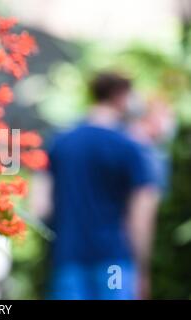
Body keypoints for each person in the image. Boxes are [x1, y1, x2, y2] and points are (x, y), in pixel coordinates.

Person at [47, 73, 160, 300]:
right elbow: (141, 216)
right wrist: (142, 270)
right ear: (120, 96)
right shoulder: (130, 147)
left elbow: (42, 206)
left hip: (68, 258)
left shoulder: (60, 143)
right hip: (114, 262)